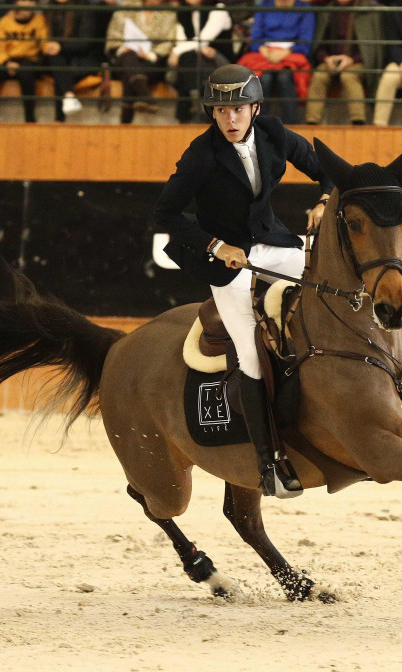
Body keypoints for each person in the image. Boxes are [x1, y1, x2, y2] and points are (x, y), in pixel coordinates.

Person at [153, 64, 334, 498]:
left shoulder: (273, 132)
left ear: (254, 108)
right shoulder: (201, 155)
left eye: (237, 110)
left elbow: (326, 168)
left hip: (270, 243)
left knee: (324, 286)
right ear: (212, 114)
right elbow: (165, 214)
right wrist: (216, 246)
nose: (230, 120)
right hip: (227, 260)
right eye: (220, 112)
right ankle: (268, 462)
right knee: (250, 350)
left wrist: (326, 199)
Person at [304, 0, 382, 125]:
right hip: (331, 60)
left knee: (349, 76)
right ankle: (312, 122)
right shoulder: (328, 12)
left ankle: (358, 121)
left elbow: (370, 49)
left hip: (356, 61)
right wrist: (326, 58)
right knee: (319, 76)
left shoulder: (367, 11)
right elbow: (320, 43)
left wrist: (352, 59)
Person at [237, 0, 315, 124]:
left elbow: (305, 42)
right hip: (265, 54)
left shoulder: (304, 9)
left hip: (292, 54)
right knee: (264, 78)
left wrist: (286, 52)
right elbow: (256, 38)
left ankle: (292, 125)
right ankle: (259, 125)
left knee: (284, 77)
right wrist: (264, 50)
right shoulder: (263, 6)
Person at [105, 0, 179, 124]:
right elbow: (113, 36)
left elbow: (169, 42)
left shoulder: (169, 14)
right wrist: (124, 48)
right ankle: (144, 95)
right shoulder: (126, 8)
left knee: (130, 72)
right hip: (124, 56)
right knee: (129, 57)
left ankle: (126, 121)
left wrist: (150, 55)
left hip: (152, 62)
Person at [0, 0, 52, 123]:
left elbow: (44, 42)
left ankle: (30, 119)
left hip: (30, 60)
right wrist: (6, 62)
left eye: (28, 5)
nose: (24, 9)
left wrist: (48, 47)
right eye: (21, 6)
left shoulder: (39, 20)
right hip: (8, 59)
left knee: (27, 73)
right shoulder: (5, 21)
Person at [168, 0, 234, 123]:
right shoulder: (183, 12)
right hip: (194, 60)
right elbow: (182, 40)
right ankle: (197, 102)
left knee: (187, 57)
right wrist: (198, 48)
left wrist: (177, 51)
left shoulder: (218, 8)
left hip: (219, 59)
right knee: (189, 57)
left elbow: (205, 38)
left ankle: (186, 109)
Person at [44, 0, 99, 121]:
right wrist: (47, 46)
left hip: (79, 60)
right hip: (53, 59)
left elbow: (85, 43)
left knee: (59, 67)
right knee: (56, 60)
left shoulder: (84, 9)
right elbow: (42, 36)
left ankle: (59, 120)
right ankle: (69, 96)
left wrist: (60, 46)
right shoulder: (48, 9)